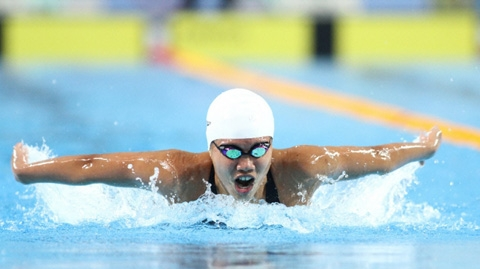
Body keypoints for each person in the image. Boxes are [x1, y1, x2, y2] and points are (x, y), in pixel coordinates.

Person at [11, 88, 442, 207]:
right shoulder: (180, 176)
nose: (247, 163)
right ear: (212, 148)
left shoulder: (302, 170)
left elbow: (380, 160)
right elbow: (95, 164)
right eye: (232, 151)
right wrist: (30, 170)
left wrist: (421, 149)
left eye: (258, 149)